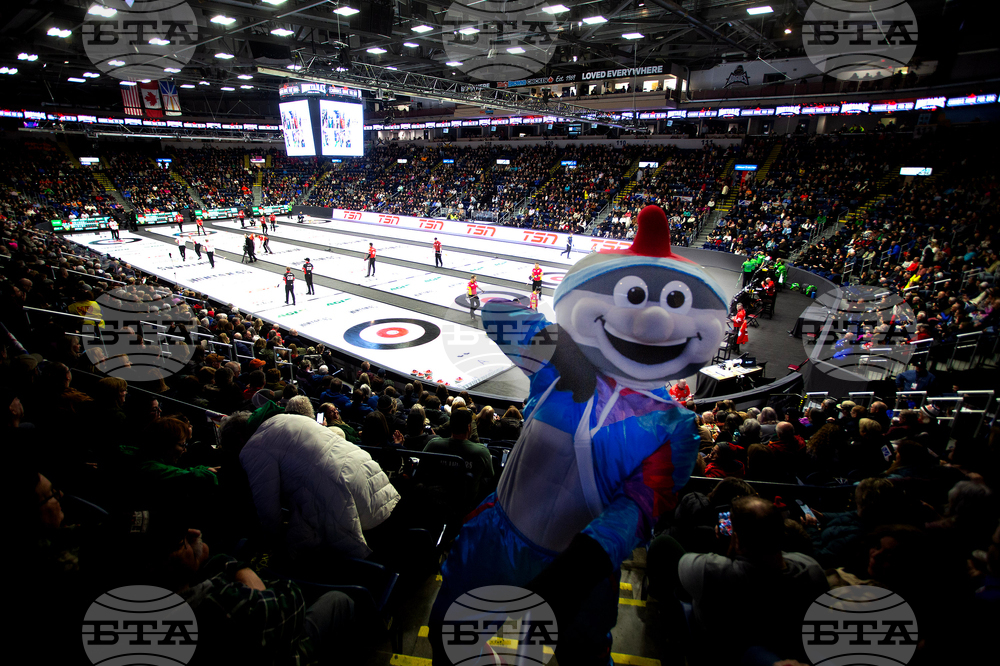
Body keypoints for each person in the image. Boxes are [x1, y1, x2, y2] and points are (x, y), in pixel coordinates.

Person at [646, 496, 828, 664]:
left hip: (717, 648)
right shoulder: (812, 569)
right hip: (781, 647)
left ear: (737, 540)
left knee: (663, 544)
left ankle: (667, 639)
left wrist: (726, 549)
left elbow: (685, 564)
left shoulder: (713, 571)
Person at [239, 410, 402, 559]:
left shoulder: (254, 446)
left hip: (336, 488)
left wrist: (274, 543)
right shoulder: (290, 418)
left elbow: (267, 507)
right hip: (363, 466)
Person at [423, 407, 493, 503]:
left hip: (434, 502)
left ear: (450, 426)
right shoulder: (481, 452)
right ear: (469, 427)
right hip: (467, 505)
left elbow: (421, 469)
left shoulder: (433, 445)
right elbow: (490, 475)